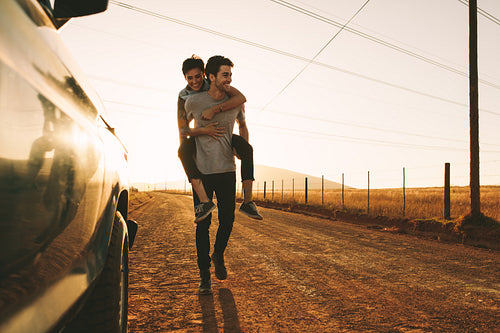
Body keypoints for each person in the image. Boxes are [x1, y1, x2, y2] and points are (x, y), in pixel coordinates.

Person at [184, 55, 249, 294]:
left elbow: (243, 124)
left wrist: (241, 147)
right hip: (202, 171)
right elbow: (183, 131)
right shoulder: (192, 102)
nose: (230, 79)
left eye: (231, 75)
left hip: (227, 170)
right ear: (210, 77)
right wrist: (196, 138)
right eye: (225, 74)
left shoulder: (236, 101)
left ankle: (218, 254)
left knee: (228, 220)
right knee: (203, 225)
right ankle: (204, 277)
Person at [177, 55, 262, 223]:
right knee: (183, 151)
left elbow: (241, 99)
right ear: (185, 78)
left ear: (205, 75)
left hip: (223, 134)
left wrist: (215, 109)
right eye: (189, 78)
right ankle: (204, 201)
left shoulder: (217, 82)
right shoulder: (184, 96)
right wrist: (192, 160)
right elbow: (182, 129)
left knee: (247, 149)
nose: (194, 81)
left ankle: (248, 202)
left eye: (197, 76)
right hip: (201, 134)